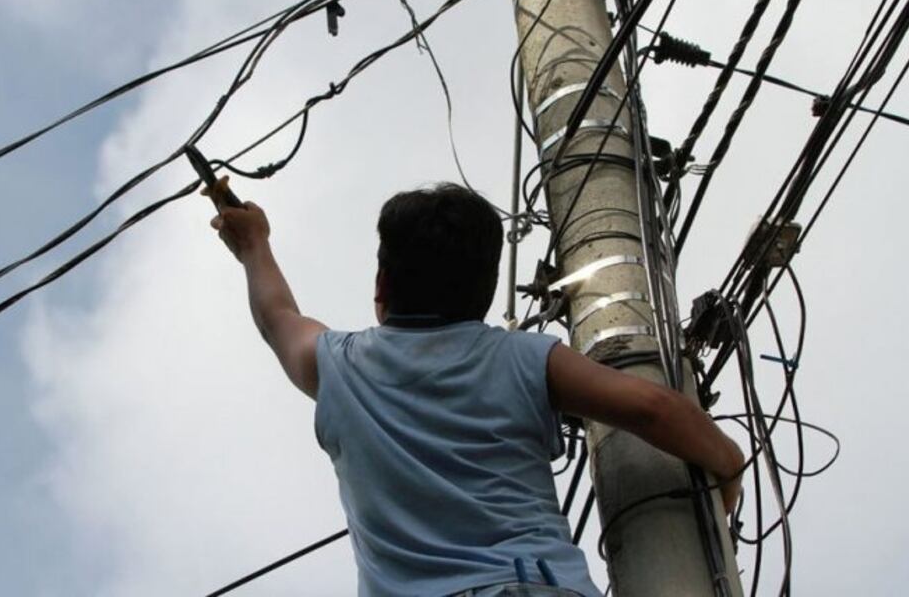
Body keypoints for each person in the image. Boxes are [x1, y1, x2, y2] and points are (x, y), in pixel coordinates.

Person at [203, 180, 744, 597]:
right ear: (484, 294)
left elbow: (278, 317)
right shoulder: (522, 357)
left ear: (381, 286)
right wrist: (727, 461)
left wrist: (253, 243)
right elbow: (651, 406)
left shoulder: (339, 366)